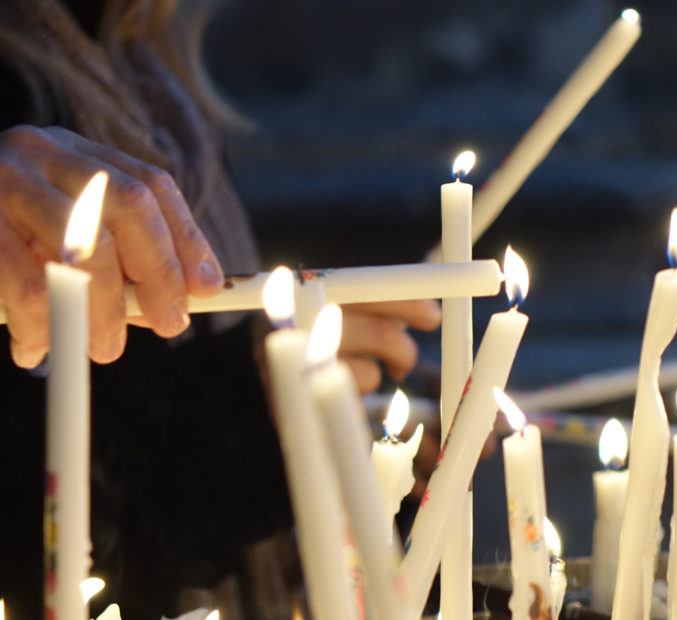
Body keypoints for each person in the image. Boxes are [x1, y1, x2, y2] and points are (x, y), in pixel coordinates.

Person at [0, 1, 441, 618]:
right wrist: (256, 408)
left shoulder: (146, 71)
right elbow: (51, 520)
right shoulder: (26, 89)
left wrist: (351, 426)